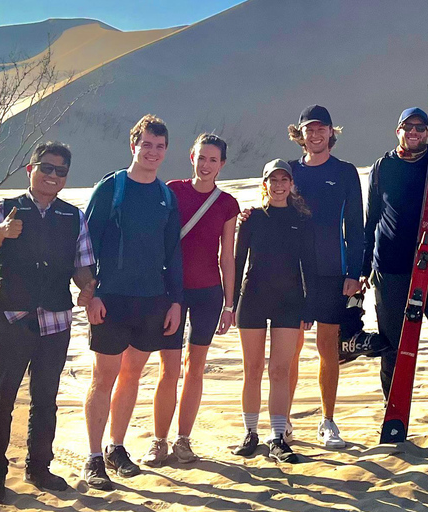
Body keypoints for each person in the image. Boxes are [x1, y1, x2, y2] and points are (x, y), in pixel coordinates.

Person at [0, 142, 96, 503]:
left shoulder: (73, 216)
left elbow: (81, 264)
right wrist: (1, 233)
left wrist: (88, 286)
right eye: (46, 168)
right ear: (31, 169)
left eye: (61, 171)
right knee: (2, 399)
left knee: (46, 399)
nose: (53, 176)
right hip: (12, 316)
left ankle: (39, 468)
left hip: (56, 320)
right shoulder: (5, 208)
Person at [240, 105, 363, 447]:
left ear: (330, 132)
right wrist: (247, 213)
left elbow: (355, 225)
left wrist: (355, 271)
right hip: (293, 274)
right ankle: (285, 421)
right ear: (300, 134)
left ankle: (328, 420)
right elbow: (271, 205)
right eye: (309, 129)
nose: (316, 134)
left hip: (333, 270)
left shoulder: (345, 172)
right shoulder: (289, 171)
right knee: (288, 350)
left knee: (328, 347)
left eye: (321, 128)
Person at [82, 115, 183, 490]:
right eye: (147, 145)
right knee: (104, 376)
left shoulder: (165, 195)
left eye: (160, 147)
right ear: (133, 146)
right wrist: (91, 293)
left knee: (131, 374)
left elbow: (173, 253)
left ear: (166, 150)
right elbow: (86, 244)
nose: (153, 152)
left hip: (152, 300)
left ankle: (116, 447)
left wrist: (175, 301)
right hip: (112, 299)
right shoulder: (111, 188)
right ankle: (93, 457)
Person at [362, 107, 428, 442]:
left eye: (421, 128)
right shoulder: (382, 167)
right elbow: (370, 222)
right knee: (392, 347)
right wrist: (363, 272)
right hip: (390, 269)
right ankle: (394, 414)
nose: (415, 132)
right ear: (398, 131)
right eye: (409, 127)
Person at [143, 133, 240, 465]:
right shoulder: (173, 191)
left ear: (222, 164)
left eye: (213, 160)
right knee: (168, 369)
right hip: (172, 293)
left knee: (194, 368)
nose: (207, 165)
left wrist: (230, 304)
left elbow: (228, 257)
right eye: (202, 158)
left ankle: (183, 440)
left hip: (209, 294)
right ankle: (158, 441)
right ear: (191, 157)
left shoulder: (227, 203)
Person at [232, 159, 316, 463]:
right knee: (252, 369)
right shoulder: (251, 218)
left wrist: (309, 305)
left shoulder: (301, 219)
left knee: (280, 370)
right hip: (252, 299)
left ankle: (278, 437)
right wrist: (230, 304)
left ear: (291, 184)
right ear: (265, 183)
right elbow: (237, 261)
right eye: (273, 180)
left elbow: (309, 265)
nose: (279, 186)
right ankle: (250, 433)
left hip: (289, 303)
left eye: (284, 180)